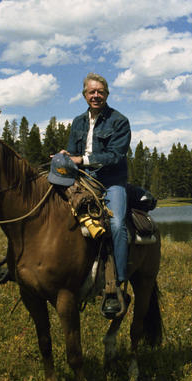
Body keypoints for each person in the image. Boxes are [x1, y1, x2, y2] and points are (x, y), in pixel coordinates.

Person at [60, 73, 131, 316]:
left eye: (100, 92)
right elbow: (72, 152)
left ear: (107, 94)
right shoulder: (78, 122)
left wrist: (83, 159)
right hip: (82, 179)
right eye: (91, 92)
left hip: (111, 180)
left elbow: (115, 156)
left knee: (118, 223)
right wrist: (66, 156)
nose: (96, 95)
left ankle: (117, 285)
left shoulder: (119, 121)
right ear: (84, 95)